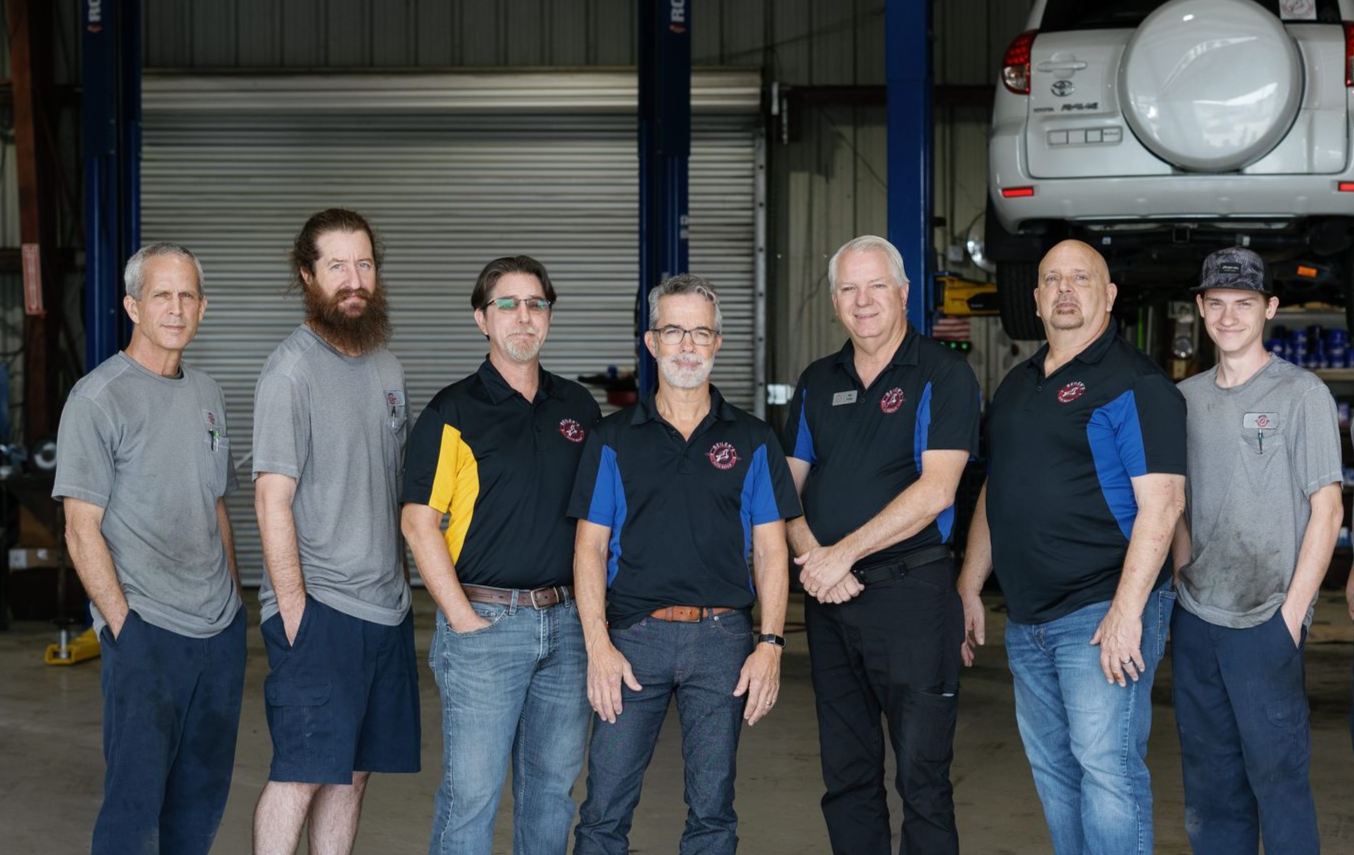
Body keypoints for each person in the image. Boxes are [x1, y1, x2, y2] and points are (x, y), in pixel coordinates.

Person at [957, 239, 1186, 854]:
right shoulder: (1015, 385)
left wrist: (1126, 611)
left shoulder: (1134, 383)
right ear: (1034, 298)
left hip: (1099, 610)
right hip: (1028, 617)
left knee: (1107, 771)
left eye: (1080, 278)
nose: (1064, 290)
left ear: (1108, 295)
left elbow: (1163, 505)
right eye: (1051, 279)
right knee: (1056, 774)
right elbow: (994, 492)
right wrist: (969, 584)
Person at [569, 274, 801, 855]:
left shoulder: (752, 439)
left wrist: (770, 644)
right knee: (603, 811)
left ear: (718, 342)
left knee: (713, 814)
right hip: (632, 642)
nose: (688, 345)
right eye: (674, 331)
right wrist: (598, 646)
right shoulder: (611, 438)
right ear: (652, 342)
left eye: (701, 332)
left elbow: (772, 549)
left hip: (721, 641)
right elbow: (589, 548)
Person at [780, 235, 980, 854]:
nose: (862, 301)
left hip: (912, 597)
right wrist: (817, 558)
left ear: (902, 292)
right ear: (835, 300)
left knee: (922, 777)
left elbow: (938, 490)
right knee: (847, 774)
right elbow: (783, 490)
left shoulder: (942, 374)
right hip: (831, 599)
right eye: (848, 288)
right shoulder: (818, 381)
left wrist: (844, 554)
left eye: (874, 286)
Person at [401, 256, 600, 855]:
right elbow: (418, 523)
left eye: (536, 304)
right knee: (472, 797)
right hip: (487, 626)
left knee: (551, 795)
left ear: (549, 317)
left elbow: (599, 521)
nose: (523, 317)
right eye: (507, 305)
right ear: (481, 320)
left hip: (567, 628)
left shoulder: (579, 409)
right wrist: (462, 618)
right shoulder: (451, 412)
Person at [55, 242, 245, 855]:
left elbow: (215, 503)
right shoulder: (97, 398)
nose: (176, 307)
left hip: (218, 634)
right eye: (162, 294)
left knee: (201, 800)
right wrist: (124, 630)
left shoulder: (209, 393)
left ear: (203, 307)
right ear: (133, 305)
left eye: (188, 295)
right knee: (135, 808)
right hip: (146, 630)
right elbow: (80, 528)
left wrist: (235, 608)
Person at [251, 209, 419, 855]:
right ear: (307, 275)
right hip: (320, 607)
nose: (355, 279)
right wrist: (294, 608)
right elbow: (272, 497)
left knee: (351, 773)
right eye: (337, 266)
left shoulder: (387, 368)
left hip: (385, 609)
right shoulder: (290, 371)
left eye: (365, 263)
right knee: (300, 772)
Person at [1169, 247, 1342, 854]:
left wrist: (1290, 618)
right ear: (1200, 309)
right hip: (1196, 622)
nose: (1229, 317)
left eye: (1244, 304)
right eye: (1216, 304)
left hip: (1266, 621)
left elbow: (1328, 509)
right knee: (1211, 790)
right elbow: (1176, 508)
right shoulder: (1184, 400)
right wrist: (1181, 578)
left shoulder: (1303, 395)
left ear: (1268, 308)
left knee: (1279, 781)